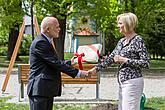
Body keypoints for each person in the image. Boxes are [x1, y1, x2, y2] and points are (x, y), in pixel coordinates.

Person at [27, 16, 90, 110]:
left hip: (45, 89)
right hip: (39, 89)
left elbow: (52, 62)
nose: (59, 29)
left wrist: (70, 62)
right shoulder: (40, 42)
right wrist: (79, 73)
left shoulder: (45, 41)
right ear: (48, 29)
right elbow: (55, 63)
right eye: (57, 27)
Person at [89, 12, 150, 110]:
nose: (118, 26)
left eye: (120, 23)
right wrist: (94, 70)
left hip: (132, 82)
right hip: (122, 82)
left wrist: (125, 60)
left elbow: (146, 63)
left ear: (128, 24)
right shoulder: (121, 41)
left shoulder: (138, 40)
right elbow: (110, 59)